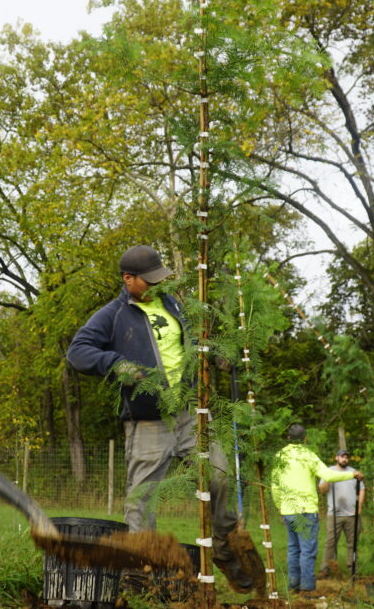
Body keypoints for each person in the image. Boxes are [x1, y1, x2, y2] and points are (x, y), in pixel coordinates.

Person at [66, 245, 264, 594]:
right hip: (148, 422)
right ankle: (141, 572)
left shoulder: (174, 306)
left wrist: (216, 354)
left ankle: (224, 550)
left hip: (189, 415)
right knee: (142, 497)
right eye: (149, 280)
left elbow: (195, 343)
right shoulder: (113, 314)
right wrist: (116, 365)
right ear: (128, 280)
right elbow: (78, 351)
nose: (158, 285)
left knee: (220, 477)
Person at [270, 424, 363, 594]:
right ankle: (306, 589)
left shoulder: (280, 456)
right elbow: (327, 475)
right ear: (305, 439)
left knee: (293, 548)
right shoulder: (308, 455)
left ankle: (293, 585)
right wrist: (352, 474)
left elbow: (275, 486)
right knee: (307, 550)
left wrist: (280, 507)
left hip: (288, 510)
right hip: (306, 510)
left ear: (288, 438)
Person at [317, 448, 365, 578]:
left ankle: (353, 569)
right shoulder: (329, 471)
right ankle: (325, 569)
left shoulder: (354, 472)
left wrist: (359, 507)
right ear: (336, 458)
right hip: (334, 514)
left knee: (353, 543)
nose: (345, 459)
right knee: (330, 542)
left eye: (347, 457)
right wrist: (328, 479)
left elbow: (361, 490)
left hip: (352, 514)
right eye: (342, 457)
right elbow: (322, 489)